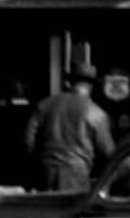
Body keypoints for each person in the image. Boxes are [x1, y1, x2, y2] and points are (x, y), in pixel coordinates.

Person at [32, 65, 115, 197]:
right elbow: (108, 151)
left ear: (69, 83)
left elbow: (29, 141)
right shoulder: (97, 113)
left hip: (46, 170)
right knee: (71, 213)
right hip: (77, 173)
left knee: (46, 214)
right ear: (91, 87)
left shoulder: (45, 105)